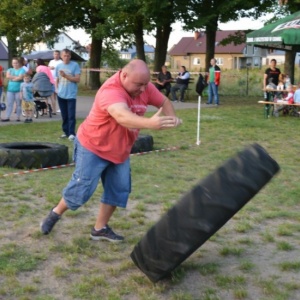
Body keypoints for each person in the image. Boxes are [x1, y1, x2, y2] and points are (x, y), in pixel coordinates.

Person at [40, 59, 183, 242]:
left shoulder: (144, 86)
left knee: (118, 189)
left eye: (145, 85)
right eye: (139, 84)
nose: (142, 89)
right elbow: (122, 116)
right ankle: (56, 213)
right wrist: (150, 123)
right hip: (93, 145)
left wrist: (172, 118)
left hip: (120, 148)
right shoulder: (111, 91)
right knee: (82, 189)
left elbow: (163, 101)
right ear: (124, 75)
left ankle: (99, 229)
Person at [55, 49, 81, 141]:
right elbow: (57, 79)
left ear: (70, 56)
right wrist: (56, 89)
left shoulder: (75, 65)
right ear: (61, 56)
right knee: (64, 115)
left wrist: (66, 76)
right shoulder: (58, 66)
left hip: (71, 94)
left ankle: (71, 133)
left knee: (71, 115)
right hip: (61, 94)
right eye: (64, 55)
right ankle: (66, 132)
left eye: (68, 56)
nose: (66, 57)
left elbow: (77, 79)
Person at [1, 58, 26, 122]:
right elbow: (7, 76)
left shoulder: (22, 70)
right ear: (12, 64)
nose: (15, 64)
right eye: (14, 63)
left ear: (19, 63)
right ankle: (7, 116)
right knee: (10, 104)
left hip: (18, 90)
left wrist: (13, 78)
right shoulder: (10, 70)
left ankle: (18, 117)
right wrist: (16, 77)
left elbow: (21, 77)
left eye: (16, 63)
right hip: (10, 89)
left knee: (18, 104)